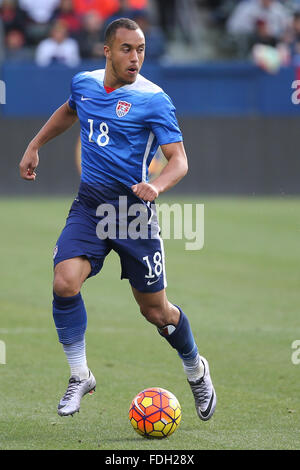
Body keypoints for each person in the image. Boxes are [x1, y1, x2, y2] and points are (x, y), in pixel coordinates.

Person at [19, 18, 216, 421]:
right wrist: (35, 144)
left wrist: (157, 187)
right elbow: (69, 110)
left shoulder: (154, 99)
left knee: (156, 312)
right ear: (106, 51)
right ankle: (80, 376)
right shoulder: (85, 83)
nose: (135, 57)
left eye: (141, 49)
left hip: (133, 215)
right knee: (64, 281)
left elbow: (179, 161)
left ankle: (196, 368)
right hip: (90, 205)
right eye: (127, 49)